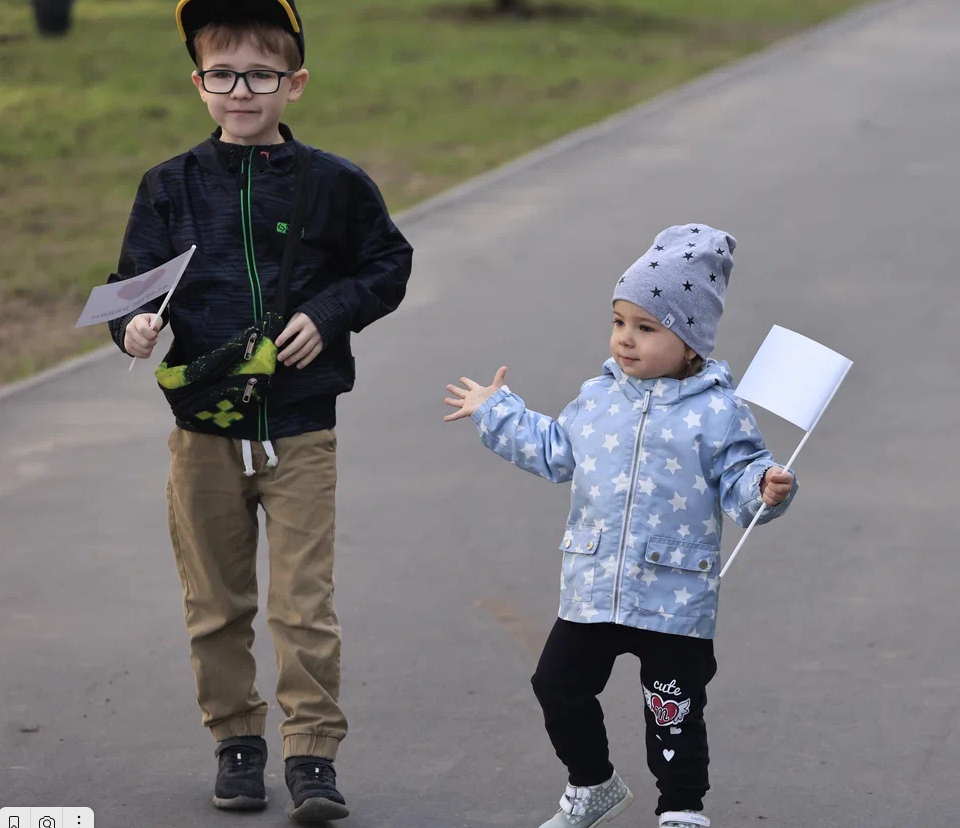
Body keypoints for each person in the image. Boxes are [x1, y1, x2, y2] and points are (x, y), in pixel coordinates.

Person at [107, 0, 412, 820]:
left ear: (295, 82)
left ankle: (312, 754)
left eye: (261, 74)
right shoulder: (167, 186)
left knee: (302, 602)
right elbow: (133, 288)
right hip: (202, 432)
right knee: (215, 601)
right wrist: (133, 327)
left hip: (301, 426)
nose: (241, 90)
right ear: (198, 82)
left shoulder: (336, 184)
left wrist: (334, 311)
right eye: (222, 74)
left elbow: (388, 263)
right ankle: (236, 742)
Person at [444, 224, 797, 828]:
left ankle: (681, 805)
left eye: (647, 327)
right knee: (557, 685)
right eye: (619, 322)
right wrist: (497, 410)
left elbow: (743, 481)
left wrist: (766, 489)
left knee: (673, 707)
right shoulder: (598, 398)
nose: (625, 340)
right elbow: (555, 450)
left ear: (690, 343)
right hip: (593, 583)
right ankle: (593, 783)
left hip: (675, 591)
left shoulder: (720, 411)